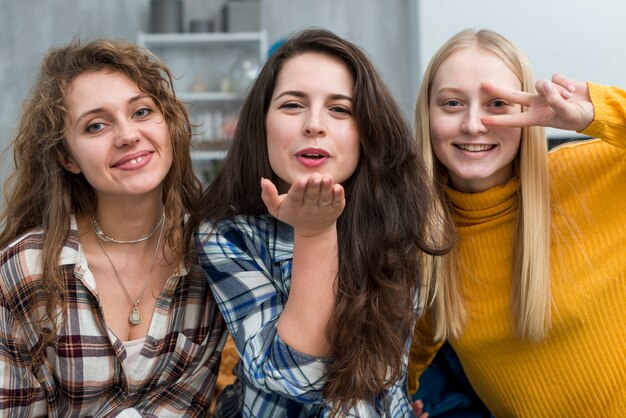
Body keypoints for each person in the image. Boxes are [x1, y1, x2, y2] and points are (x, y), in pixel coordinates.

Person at [192, 28, 452, 417]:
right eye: (292, 105)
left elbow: (386, 370)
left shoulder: (400, 215)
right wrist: (314, 233)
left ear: (367, 131)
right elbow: (296, 375)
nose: (314, 124)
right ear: (260, 122)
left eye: (340, 109)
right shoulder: (228, 234)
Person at [0, 39, 227, 416]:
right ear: (67, 157)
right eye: (96, 125)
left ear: (168, 125)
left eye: (140, 112)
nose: (127, 135)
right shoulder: (24, 269)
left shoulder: (213, 255)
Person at [409, 28, 626, 417]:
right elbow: (393, 364)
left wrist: (597, 110)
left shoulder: (589, 172)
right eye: (453, 103)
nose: (474, 124)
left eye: (497, 104)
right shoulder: (421, 241)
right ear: (427, 116)